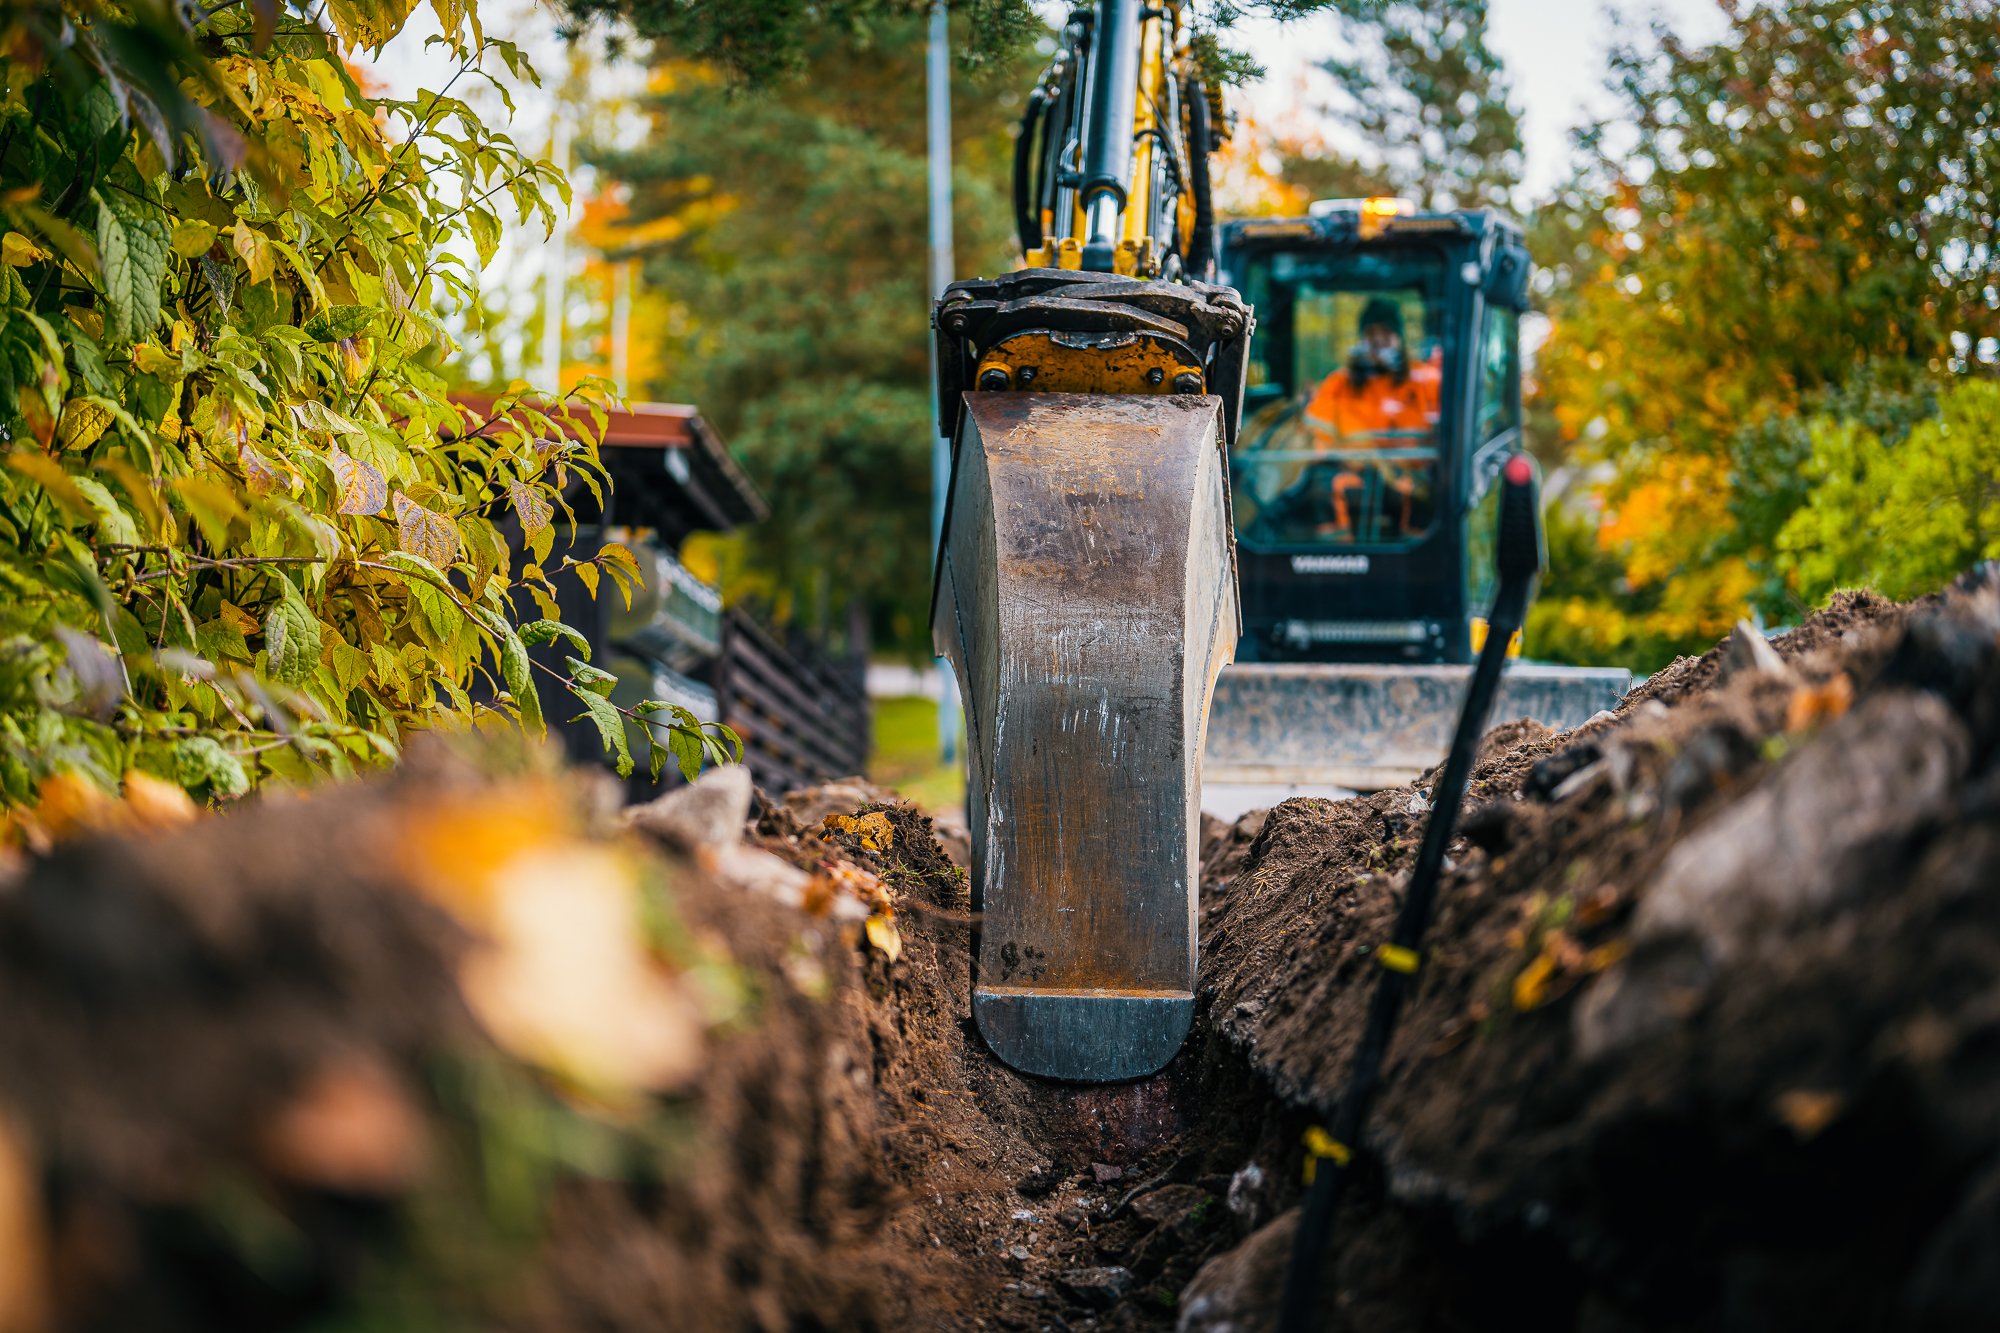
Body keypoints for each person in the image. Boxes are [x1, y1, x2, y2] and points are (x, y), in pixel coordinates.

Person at [1301, 296, 1439, 536]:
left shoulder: (1425, 381)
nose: (1377, 341)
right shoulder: (1339, 383)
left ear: (1399, 338)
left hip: (1409, 476)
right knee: (1320, 488)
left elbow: (1441, 433)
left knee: (1431, 494)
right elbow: (1314, 431)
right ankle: (1335, 562)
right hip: (1356, 474)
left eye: (1385, 333)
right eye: (1371, 333)